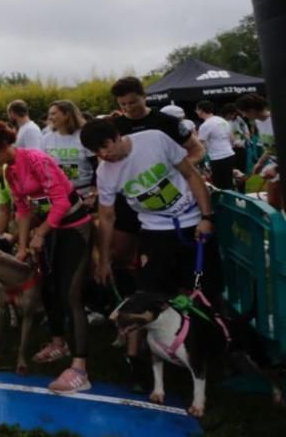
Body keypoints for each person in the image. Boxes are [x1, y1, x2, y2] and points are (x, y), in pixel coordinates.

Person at [0, 120, 94, 393]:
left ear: (5, 145)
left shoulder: (37, 159)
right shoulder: (9, 169)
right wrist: (24, 246)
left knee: (71, 295)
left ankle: (80, 368)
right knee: (49, 289)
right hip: (51, 229)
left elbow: (62, 201)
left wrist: (40, 234)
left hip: (74, 228)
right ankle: (58, 341)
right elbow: (23, 209)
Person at [82, 118, 222, 301]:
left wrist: (206, 217)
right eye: (96, 151)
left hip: (191, 220)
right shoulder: (104, 173)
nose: (103, 154)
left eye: (105, 146)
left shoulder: (154, 140)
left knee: (204, 287)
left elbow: (190, 174)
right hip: (154, 229)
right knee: (155, 291)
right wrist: (103, 260)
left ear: (117, 136)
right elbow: (107, 217)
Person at [41, 100, 96, 198]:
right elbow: (43, 168)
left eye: (53, 114)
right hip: (59, 195)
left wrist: (93, 193)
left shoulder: (85, 135)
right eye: (49, 114)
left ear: (67, 114)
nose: (49, 118)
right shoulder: (46, 138)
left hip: (85, 193)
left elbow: (98, 165)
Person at [195, 100, 236, 190]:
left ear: (201, 110)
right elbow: (232, 138)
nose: (196, 112)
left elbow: (200, 145)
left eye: (197, 110)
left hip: (218, 157)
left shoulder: (205, 125)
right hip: (230, 154)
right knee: (229, 182)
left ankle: (226, 202)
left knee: (220, 185)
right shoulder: (222, 120)